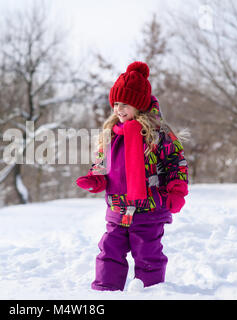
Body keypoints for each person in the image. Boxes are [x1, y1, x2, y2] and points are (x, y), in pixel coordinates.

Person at [76, 61, 189, 291]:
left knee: (148, 255)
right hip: (118, 210)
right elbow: (101, 163)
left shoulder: (158, 134)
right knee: (109, 252)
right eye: (116, 103)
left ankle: (151, 292)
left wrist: (175, 191)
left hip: (150, 209)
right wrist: (95, 178)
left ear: (139, 105)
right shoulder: (111, 134)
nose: (119, 109)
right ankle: (105, 293)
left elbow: (176, 163)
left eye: (125, 103)